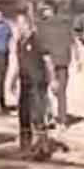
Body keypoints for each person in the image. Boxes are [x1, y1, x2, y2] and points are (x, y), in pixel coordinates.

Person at [14, 13, 55, 159]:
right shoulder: (20, 42)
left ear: (28, 24)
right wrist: (13, 80)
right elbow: (20, 63)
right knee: (23, 114)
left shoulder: (37, 39)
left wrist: (53, 79)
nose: (19, 27)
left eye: (21, 24)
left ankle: (43, 148)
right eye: (17, 24)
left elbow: (48, 60)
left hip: (38, 82)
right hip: (25, 82)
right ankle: (25, 147)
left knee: (37, 114)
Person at [35, 2, 80, 130]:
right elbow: (74, 42)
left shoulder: (42, 26)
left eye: (44, 9)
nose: (43, 12)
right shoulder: (65, 25)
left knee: (43, 90)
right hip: (62, 61)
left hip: (48, 61)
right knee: (61, 92)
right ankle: (61, 120)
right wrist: (78, 59)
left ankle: (48, 118)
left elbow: (38, 45)